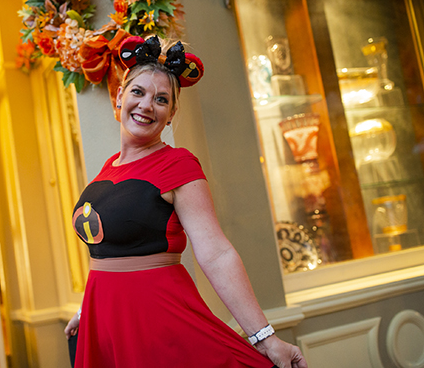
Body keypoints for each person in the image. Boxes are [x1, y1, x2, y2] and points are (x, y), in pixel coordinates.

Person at [65, 36, 307, 368]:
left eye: (161, 99)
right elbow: (109, 253)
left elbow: (217, 254)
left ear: (171, 113)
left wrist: (265, 337)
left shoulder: (177, 164)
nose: (147, 105)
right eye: (138, 92)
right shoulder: (110, 168)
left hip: (156, 322)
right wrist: (87, 310)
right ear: (120, 96)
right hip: (105, 321)